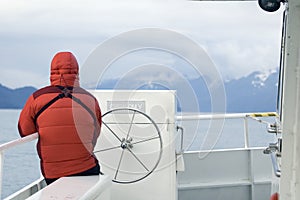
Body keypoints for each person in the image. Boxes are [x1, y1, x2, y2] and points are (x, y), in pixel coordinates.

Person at [18, 51, 102, 185]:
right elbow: (95, 133)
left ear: (52, 71)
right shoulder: (90, 100)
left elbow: (25, 131)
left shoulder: (37, 98)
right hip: (87, 169)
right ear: (76, 72)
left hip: (53, 173)